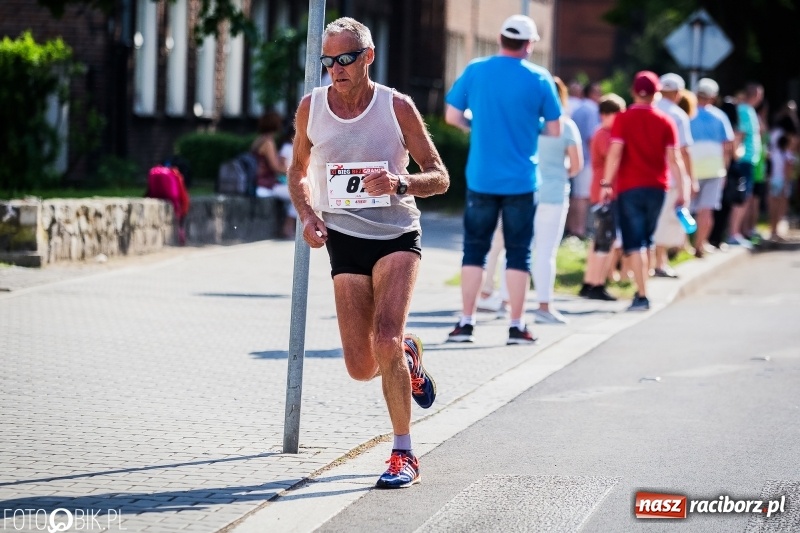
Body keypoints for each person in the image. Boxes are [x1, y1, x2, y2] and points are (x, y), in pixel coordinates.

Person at [286, 17, 449, 489]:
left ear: (368, 57)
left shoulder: (396, 106)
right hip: (344, 237)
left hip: (396, 234)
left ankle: (403, 452)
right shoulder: (311, 108)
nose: (336, 69)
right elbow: (297, 171)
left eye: (346, 58)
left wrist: (400, 182)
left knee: (385, 338)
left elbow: (439, 176)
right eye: (328, 61)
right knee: (361, 367)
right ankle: (408, 356)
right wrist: (308, 215)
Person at [444, 14, 561, 344]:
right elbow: (555, 129)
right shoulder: (540, 78)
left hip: (481, 178)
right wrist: (531, 126)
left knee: (474, 250)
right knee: (519, 253)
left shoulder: (476, 70)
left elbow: (452, 115)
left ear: (500, 39)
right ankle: (516, 326)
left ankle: (466, 322)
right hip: (522, 181)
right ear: (529, 44)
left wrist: (476, 124)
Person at [601, 71, 688, 312]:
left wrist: (606, 184)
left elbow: (615, 153)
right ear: (656, 94)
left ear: (633, 92)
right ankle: (643, 287)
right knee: (647, 239)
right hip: (658, 188)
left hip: (629, 187)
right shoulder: (665, 121)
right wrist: (683, 190)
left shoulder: (623, 119)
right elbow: (675, 159)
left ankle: (641, 294)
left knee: (634, 242)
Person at [532, 76, 582, 324]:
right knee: (546, 251)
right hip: (554, 193)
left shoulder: (528, 123)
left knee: (517, 249)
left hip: (526, 191)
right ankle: (544, 306)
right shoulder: (566, 126)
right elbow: (576, 165)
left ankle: (505, 302)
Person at [580, 93, 627, 301]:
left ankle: (589, 281)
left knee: (599, 239)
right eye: (618, 115)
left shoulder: (604, 133)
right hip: (606, 192)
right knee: (605, 240)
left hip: (602, 191)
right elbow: (614, 157)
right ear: (605, 115)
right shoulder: (604, 135)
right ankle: (597, 283)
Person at [652, 73, 695, 279]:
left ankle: (650, 263)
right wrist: (689, 178)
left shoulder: (651, 109)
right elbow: (683, 151)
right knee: (665, 221)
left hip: (647, 173)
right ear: (678, 93)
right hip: (669, 175)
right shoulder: (678, 115)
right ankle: (660, 263)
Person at [689, 78, 735, 257]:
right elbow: (727, 147)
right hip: (714, 168)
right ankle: (700, 244)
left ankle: (682, 244)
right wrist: (725, 171)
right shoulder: (720, 116)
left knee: (685, 209)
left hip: (692, 168)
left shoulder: (689, 114)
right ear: (713, 97)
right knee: (706, 210)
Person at [727, 82, 764, 248]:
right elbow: (739, 134)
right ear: (755, 95)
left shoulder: (749, 110)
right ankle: (733, 233)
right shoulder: (744, 110)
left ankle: (740, 232)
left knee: (746, 197)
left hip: (749, 160)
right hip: (744, 160)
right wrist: (736, 156)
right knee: (741, 197)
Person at [566, 81, 601, 238]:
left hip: (576, 157)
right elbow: (591, 138)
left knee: (576, 195)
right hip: (586, 159)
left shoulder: (579, 109)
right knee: (582, 197)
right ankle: (579, 230)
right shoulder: (592, 110)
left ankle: (573, 228)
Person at [252, 111, 296, 238]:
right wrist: (295, 171)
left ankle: (288, 227)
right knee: (301, 195)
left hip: (261, 183)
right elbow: (275, 167)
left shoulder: (259, 140)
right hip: (266, 185)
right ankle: (287, 227)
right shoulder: (268, 143)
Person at [768, 133, 797, 240]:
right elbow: (787, 172)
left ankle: (773, 230)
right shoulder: (788, 155)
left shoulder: (774, 154)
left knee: (773, 207)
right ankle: (775, 231)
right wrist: (785, 185)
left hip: (773, 181)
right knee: (780, 209)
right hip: (782, 182)